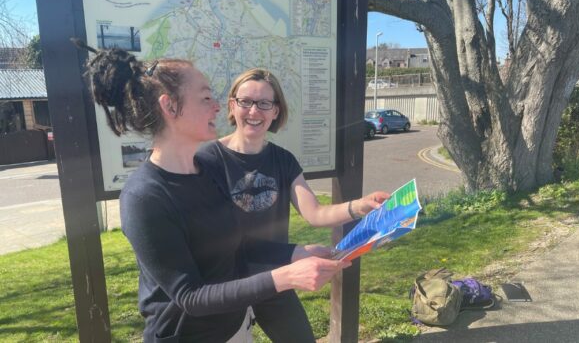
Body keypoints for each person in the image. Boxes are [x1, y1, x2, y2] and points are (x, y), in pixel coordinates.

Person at [75, 42, 350, 343]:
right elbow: (190, 296)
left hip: (235, 328)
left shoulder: (207, 174)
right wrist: (286, 276)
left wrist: (297, 253)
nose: (218, 106)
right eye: (205, 97)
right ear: (169, 106)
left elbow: (239, 248)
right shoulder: (144, 197)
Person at [196, 68, 390, 342]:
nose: (254, 111)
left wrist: (359, 206)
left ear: (276, 111)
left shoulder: (283, 160)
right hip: (226, 283)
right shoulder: (207, 160)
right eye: (246, 101)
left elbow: (315, 213)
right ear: (232, 105)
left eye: (264, 103)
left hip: (277, 275)